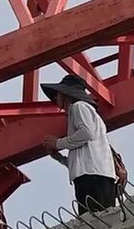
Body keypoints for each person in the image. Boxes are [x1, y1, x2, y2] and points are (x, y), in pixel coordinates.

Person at [40, 75, 119, 214]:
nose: (55, 98)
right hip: (98, 174)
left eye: (57, 94)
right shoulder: (88, 113)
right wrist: (59, 157)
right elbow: (82, 158)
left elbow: (85, 133)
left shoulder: (78, 106)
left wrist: (58, 143)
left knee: (92, 221)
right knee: (104, 219)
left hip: (91, 177)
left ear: (66, 93)